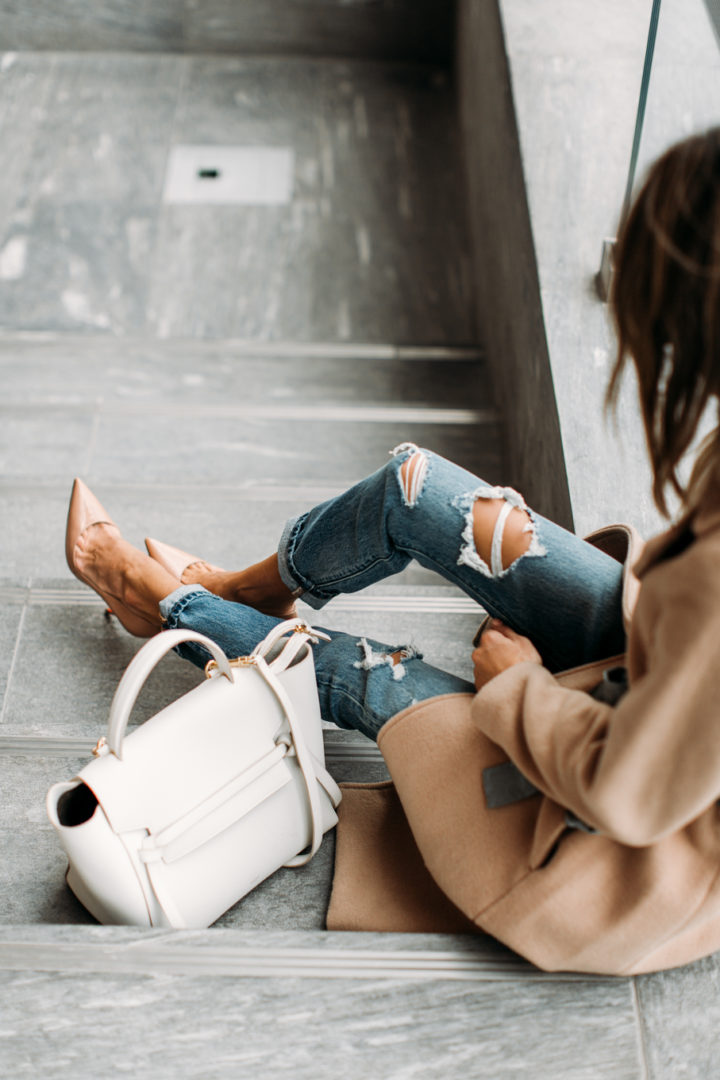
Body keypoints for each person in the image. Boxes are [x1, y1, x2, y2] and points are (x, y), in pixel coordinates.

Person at [66, 127, 720, 974]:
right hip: (654, 672)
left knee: (371, 668)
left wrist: (517, 687)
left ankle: (163, 604)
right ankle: (250, 588)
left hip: (612, 845)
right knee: (418, 488)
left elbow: (629, 797)